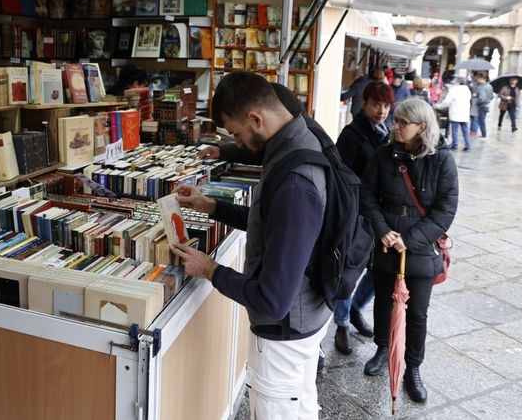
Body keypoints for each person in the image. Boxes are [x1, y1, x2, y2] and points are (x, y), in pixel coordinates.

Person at [172, 71, 331, 419]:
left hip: (284, 333)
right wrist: (211, 206)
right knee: (302, 404)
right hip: (306, 315)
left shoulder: (295, 181)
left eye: (236, 133)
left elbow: (272, 300)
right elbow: (273, 224)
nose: (239, 143)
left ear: (256, 118)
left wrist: (210, 269)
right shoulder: (296, 139)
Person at [360, 98, 459, 404]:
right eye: (397, 120)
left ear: (422, 126)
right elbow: (367, 195)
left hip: (420, 247)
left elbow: (445, 209)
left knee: (416, 313)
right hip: (387, 242)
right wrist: (382, 229)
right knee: (383, 302)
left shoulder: (442, 159)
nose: (396, 126)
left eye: (404, 122)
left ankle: (413, 368)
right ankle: (382, 349)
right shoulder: (384, 154)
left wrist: (412, 239)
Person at [331, 81, 395, 355]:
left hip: (380, 213)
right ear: (364, 103)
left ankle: (357, 308)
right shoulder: (352, 135)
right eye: (376, 104)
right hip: (356, 213)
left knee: (379, 268)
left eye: (386, 105)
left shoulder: (388, 133)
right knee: (349, 269)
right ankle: (342, 323)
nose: (381, 110)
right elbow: (341, 176)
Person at [435, 77, 472, 151]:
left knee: (454, 130)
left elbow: (447, 102)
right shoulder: (467, 90)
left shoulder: (454, 90)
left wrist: (439, 106)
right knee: (465, 130)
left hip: (456, 113)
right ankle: (468, 145)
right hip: (464, 114)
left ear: (458, 83)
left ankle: (455, 145)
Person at [469, 73, 494, 139]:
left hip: (482, 106)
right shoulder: (489, 86)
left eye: (479, 78)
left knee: (480, 121)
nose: (477, 79)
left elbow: (482, 98)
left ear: (483, 79)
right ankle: (483, 134)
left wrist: (477, 102)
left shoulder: (483, 87)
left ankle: (483, 135)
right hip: (487, 106)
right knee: (481, 120)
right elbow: (492, 97)